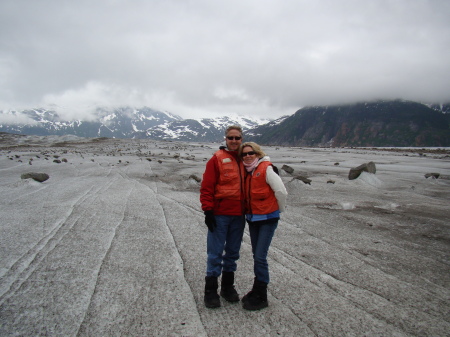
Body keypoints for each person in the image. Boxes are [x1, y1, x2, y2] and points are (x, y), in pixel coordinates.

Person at [200, 125, 246, 308]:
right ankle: (210, 291)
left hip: (239, 215)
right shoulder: (216, 159)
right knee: (215, 253)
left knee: (233, 253)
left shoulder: (246, 159)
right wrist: (208, 210)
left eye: (237, 138)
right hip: (220, 215)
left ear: (241, 139)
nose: (234, 141)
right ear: (225, 139)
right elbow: (207, 186)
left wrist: (271, 167)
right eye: (231, 138)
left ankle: (227, 287)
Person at [239, 142, 287, 310]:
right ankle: (256, 289)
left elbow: (281, 191)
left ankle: (262, 295)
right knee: (256, 255)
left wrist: (277, 210)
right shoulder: (246, 171)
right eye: (244, 154)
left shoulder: (266, 169)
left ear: (257, 153)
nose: (247, 156)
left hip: (267, 219)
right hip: (253, 219)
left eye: (250, 153)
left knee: (260, 256)